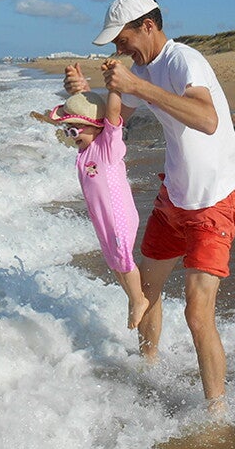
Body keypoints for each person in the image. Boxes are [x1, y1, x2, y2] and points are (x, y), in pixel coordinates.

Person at [64, 0, 235, 411]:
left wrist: (137, 85)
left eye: (121, 38)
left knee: (198, 316)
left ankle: (215, 414)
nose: (117, 48)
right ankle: (149, 366)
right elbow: (111, 120)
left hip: (215, 200)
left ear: (147, 25)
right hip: (174, 195)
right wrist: (80, 92)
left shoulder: (184, 60)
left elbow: (207, 119)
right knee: (146, 288)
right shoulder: (137, 69)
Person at [39, 85, 150, 329]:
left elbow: (112, 114)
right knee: (113, 263)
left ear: (96, 126)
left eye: (75, 129)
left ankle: (139, 299)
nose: (71, 135)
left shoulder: (107, 146)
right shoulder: (85, 150)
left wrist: (115, 88)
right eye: (67, 131)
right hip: (103, 218)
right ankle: (133, 298)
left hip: (118, 215)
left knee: (123, 258)